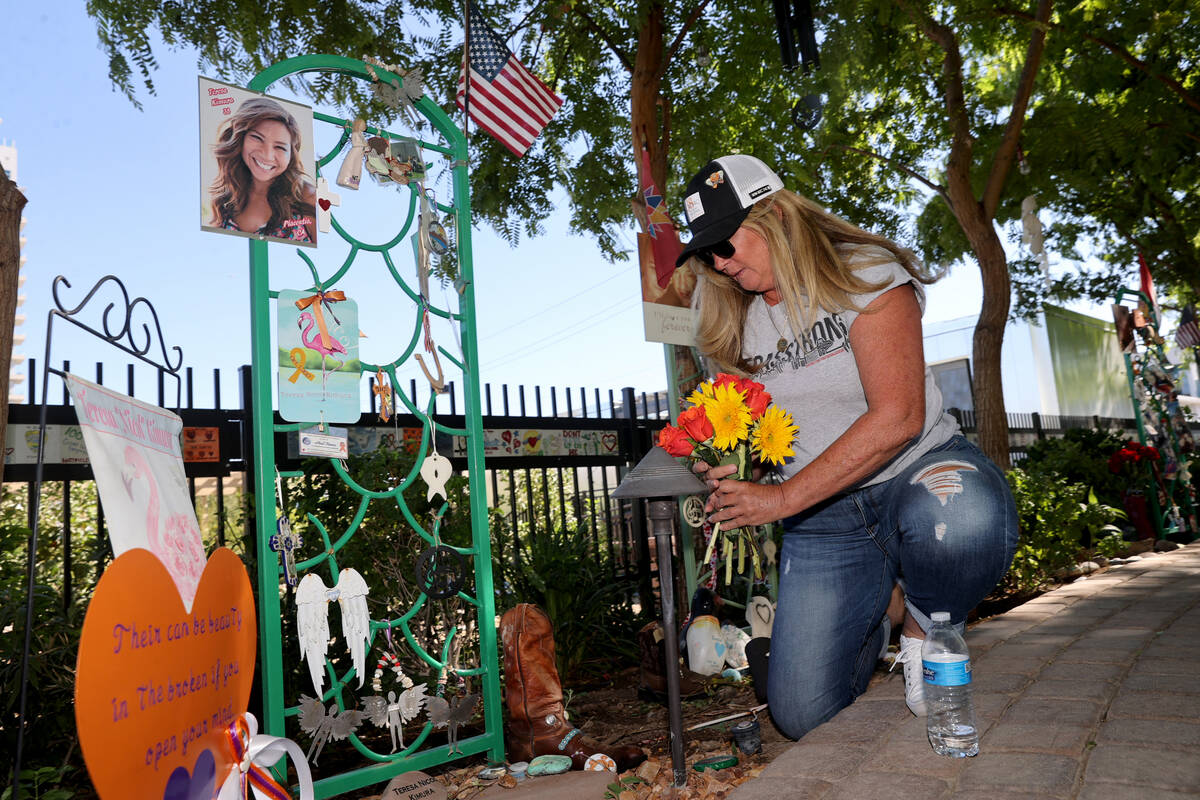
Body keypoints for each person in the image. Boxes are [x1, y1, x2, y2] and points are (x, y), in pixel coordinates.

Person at [677, 154, 1018, 740]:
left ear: (776, 217)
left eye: (726, 245)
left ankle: (920, 627)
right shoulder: (733, 315)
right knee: (801, 714)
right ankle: (880, 597)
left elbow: (899, 417)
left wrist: (778, 500)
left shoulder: (864, 272)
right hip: (827, 513)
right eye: (707, 254)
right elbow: (750, 422)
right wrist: (729, 461)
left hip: (918, 472)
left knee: (963, 518)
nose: (719, 263)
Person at [208, 97, 316, 243]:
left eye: (280, 147)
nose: (267, 155)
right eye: (257, 138)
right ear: (241, 138)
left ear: (291, 155)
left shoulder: (307, 197)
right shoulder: (224, 202)